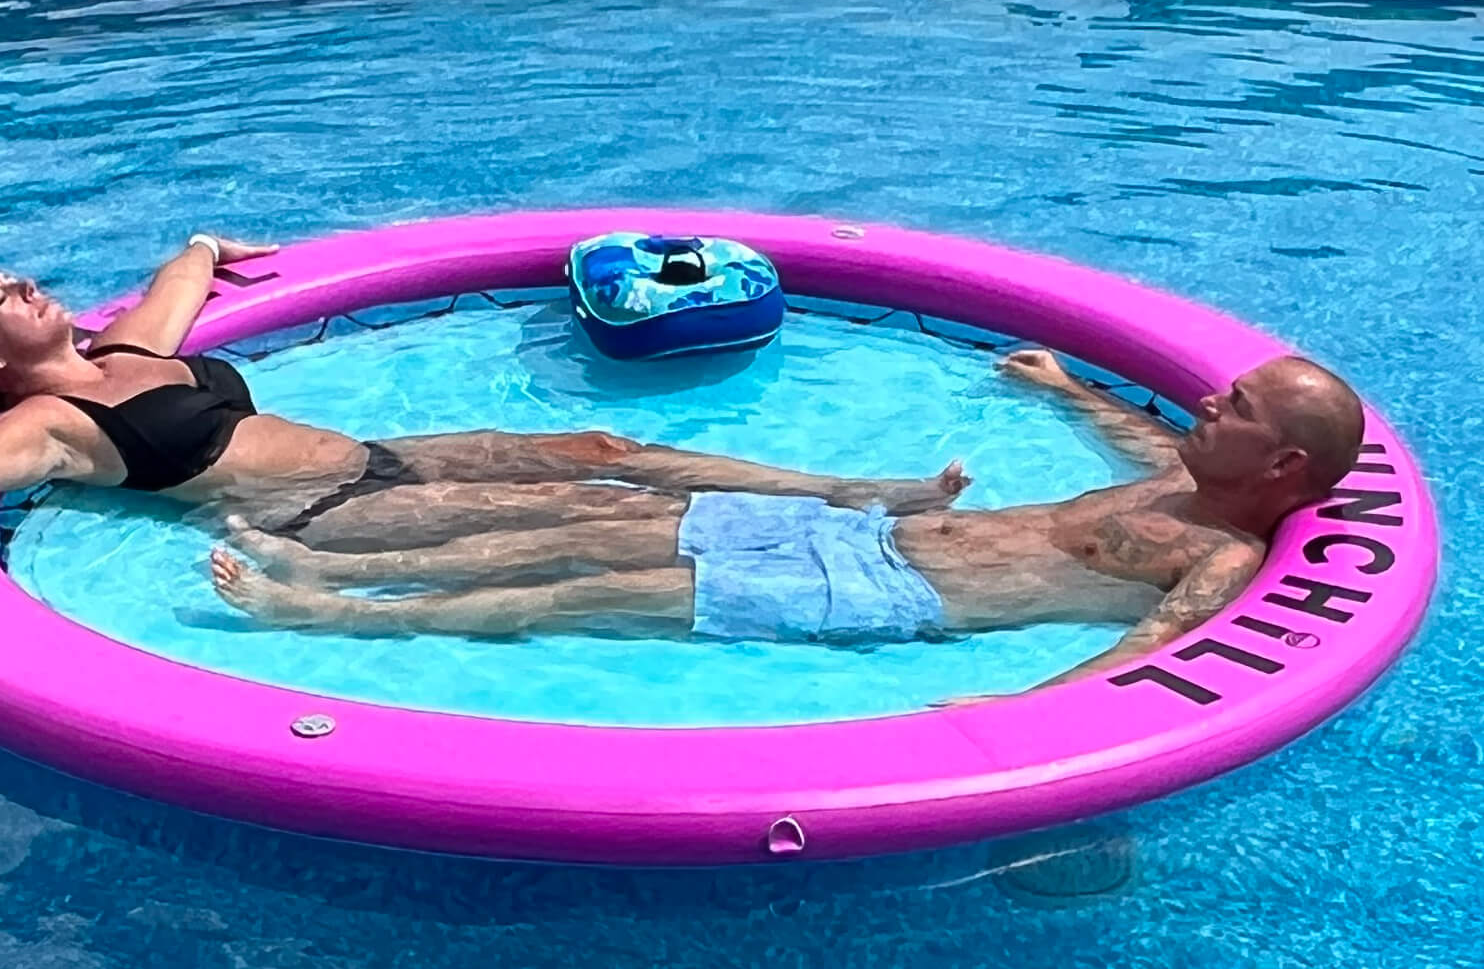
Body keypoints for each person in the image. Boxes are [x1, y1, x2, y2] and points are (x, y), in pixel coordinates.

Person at [0, 234, 970, 617]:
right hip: (324, 511)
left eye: (15, 276)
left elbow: (183, 268)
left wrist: (210, 249)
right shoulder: (54, 424)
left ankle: (853, 490)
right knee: (594, 519)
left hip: (378, 460)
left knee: (606, 454)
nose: (24, 287)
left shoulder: (127, 351)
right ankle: (854, 558)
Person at [208, 350, 1366, 693]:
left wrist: (1025, 711)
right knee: (596, 522)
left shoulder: (1219, 550)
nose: (1204, 399)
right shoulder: (1170, 467)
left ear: (1278, 462)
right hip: (860, 540)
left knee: (593, 593)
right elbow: (1128, 429)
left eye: (1235, 406)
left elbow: (1153, 648)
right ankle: (315, 544)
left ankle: (323, 616)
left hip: (875, 596)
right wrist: (1064, 388)